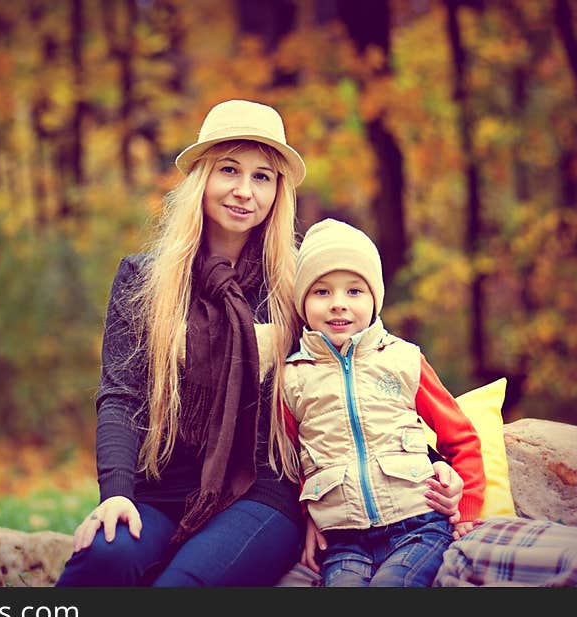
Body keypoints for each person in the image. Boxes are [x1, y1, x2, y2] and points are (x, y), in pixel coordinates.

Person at [56, 100, 464, 587]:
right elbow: (119, 396)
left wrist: (436, 467)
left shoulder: (296, 284)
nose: (244, 192)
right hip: (159, 490)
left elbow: (367, 374)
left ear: (278, 191)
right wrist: (117, 493)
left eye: (263, 177)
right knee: (103, 560)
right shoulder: (144, 279)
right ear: (201, 178)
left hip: (265, 495)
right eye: (229, 170)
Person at [282, 218, 486, 587]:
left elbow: (461, 438)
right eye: (322, 292)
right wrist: (306, 514)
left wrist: (467, 504)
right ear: (303, 302)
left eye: (354, 291)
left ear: (374, 298)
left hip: (419, 526)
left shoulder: (403, 359)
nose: (338, 305)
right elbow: (289, 460)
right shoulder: (292, 379)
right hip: (343, 542)